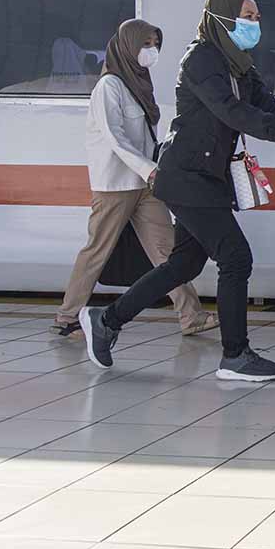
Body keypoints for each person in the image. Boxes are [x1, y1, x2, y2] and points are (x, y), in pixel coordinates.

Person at [80, 0, 275, 382]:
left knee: (183, 264)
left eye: (257, 17)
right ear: (223, 17)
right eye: (248, 16)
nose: (255, 24)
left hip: (206, 176)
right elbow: (233, 112)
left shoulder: (238, 62)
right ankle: (235, 356)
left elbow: (265, 106)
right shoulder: (202, 59)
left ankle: (106, 319)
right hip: (187, 176)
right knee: (235, 257)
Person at [53, 19, 218, 339]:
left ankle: (191, 315)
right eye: (145, 44)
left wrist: (153, 169)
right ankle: (68, 316)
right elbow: (115, 139)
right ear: (128, 45)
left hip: (145, 183)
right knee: (97, 250)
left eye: (155, 44)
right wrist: (149, 168)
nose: (152, 51)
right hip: (115, 185)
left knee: (167, 250)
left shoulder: (136, 83)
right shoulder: (109, 86)